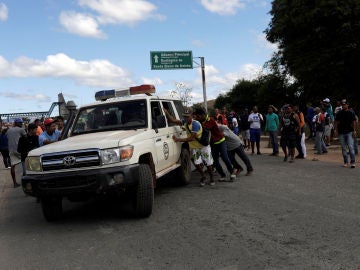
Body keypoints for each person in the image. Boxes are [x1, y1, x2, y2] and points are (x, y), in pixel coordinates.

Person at [165, 108, 215, 186]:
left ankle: (212, 178)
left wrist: (178, 139)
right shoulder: (185, 122)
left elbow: (191, 138)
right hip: (195, 148)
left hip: (203, 146)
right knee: (197, 163)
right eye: (185, 116)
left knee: (208, 163)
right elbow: (173, 120)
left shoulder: (195, 124)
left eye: (188, 116)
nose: (186, 118)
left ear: (192, 116)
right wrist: (166, 112)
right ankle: (203, 176)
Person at [194, 107, 236, 182]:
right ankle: (222, 175)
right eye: (196, 116)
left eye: (198, 116)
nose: (197, 117)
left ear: (203, 115)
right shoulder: (200, 121)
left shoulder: (211, 120)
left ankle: (232, 172)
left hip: (220, 141)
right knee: (215, 161)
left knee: (224, 157)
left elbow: (205, 129)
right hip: (213, 144)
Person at [334, 99, 356, 168]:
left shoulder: (351, 112)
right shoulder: (339, 113)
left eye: (345, 104)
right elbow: (336, 122)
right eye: (343, 104)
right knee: (343, 148)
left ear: (347, 105)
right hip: (341, 133)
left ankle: (353, 162)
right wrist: (335, 130)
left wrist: (354, 131)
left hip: (349, 132)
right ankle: (345, 162)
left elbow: (354, 122)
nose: (344, 105)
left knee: (350, 147)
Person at [6, 118, 26, 187]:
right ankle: (25, 181)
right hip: (20, 150)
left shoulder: (8, 130)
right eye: (20, 123)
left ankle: (14, 183)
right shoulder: (21, 129)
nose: (21, 124)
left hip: (11, 150)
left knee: (12, 166)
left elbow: (7, 137)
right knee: (25, 164)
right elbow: (25, 137)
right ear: (16, 123)